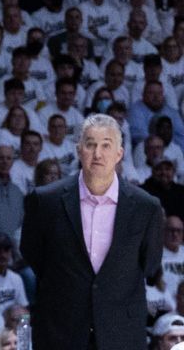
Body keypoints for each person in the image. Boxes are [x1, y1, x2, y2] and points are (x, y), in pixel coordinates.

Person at [21, 113, 164, 350]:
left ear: (119, 154)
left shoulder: (146, 207)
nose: (98, 154)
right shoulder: (46, 201)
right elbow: (32, 253)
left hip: (121, 334)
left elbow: (149, 264)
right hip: (61, 330)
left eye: (106, 145)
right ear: (79, 150)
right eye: (90, 144)